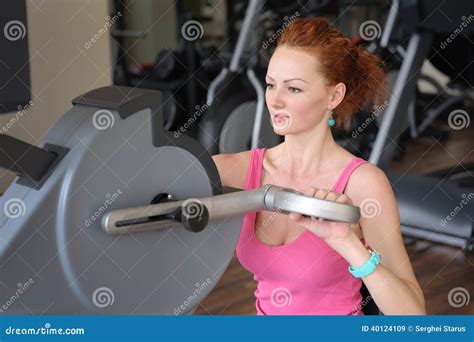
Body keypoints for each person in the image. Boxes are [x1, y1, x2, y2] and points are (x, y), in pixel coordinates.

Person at [212, 17, 426, 315]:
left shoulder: (363, 184)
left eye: (294, 89)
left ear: (333, 95)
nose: (275, 100)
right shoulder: (241, 169)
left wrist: (349, 245)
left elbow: (412, 318)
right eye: (271, 85)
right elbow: (158, 180)